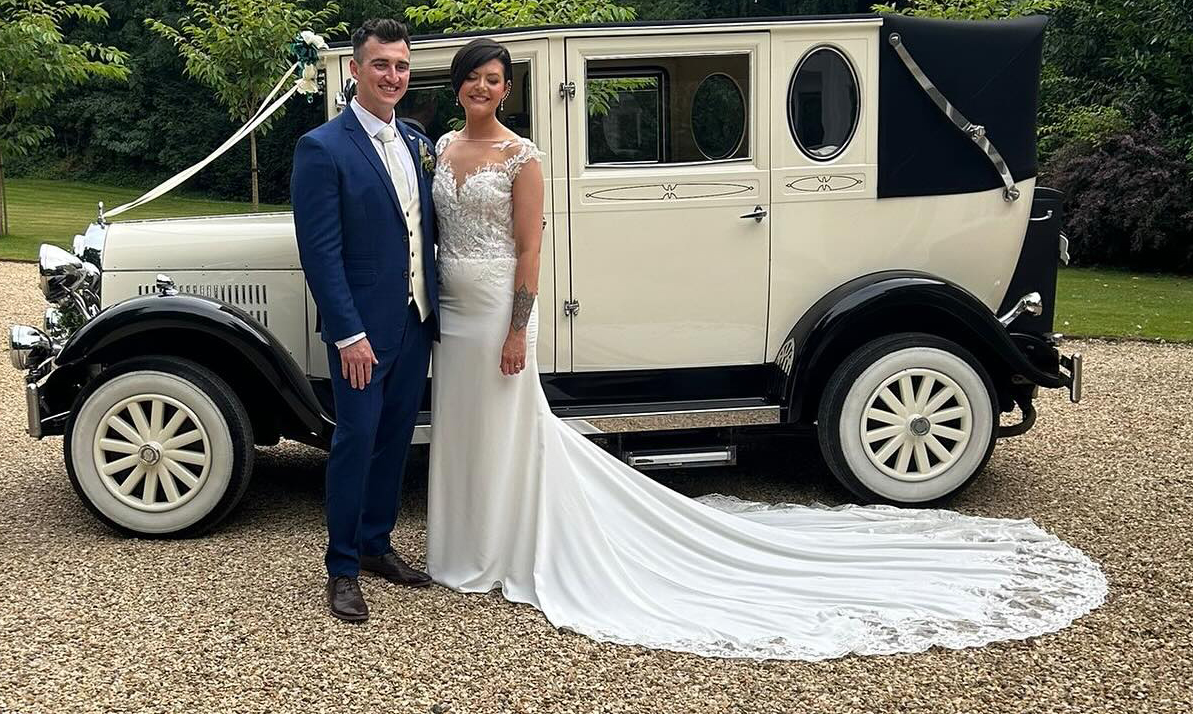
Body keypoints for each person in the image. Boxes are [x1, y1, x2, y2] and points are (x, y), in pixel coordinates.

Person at [424, 37, 1108, 660]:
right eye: (474, 78)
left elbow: (532, 248)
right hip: (455, 311)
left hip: (498, 312)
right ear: (457, 86)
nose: (484, 87)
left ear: (508, 89)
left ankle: (509, 545)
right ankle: (467, 542)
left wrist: (519, 327)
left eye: (495, 79)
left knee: (510, 424)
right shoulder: (443, 149)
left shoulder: (524, 155)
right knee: (467, 426)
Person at [291, 18, 440, 624]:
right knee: (354, 442)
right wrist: (348, 332)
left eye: (402, 66)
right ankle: (343, 567)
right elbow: (320, 252)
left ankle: (378, 545)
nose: (393, 76)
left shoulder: (414, 141)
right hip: (361, 333)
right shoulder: (323, 147)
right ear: (355, 70)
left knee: (396, 440)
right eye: (381, 65)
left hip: (415, 321)